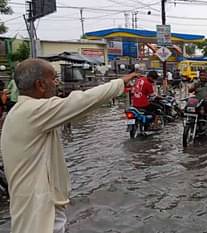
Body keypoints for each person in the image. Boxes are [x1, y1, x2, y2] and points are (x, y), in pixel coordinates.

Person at [0, 58, 138, 233]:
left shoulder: (18, 112)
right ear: (40, 85)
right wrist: (119, 82)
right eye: (54, 78)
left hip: (38, 204)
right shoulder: (33, 111)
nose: (56, 83)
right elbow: (83, 100)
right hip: (39, 210)